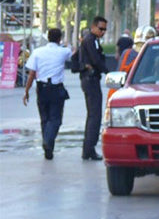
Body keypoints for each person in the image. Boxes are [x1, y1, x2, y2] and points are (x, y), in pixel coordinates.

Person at [22, 28, 72, 160]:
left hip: (41, 88)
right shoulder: (63, 51)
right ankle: (48, 142)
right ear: (59, 39)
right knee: (55, 119)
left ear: (48, 37)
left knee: (45, 119)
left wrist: (26, 91)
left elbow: (32, 73)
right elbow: (72, 53)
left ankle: (48, 148)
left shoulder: (38, 52)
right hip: (56, 88)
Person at [79, 15, 108, 160]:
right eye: (100, 29)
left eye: (105, 30)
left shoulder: (93, 40)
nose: (103, 32)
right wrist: (108, 71)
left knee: (94, 115)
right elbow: (96, 60)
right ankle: (89, 149)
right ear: (93, 27)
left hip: (92, 79)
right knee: (94, 116)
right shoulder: (90, 40)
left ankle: (88, 148)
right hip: (90, 79)